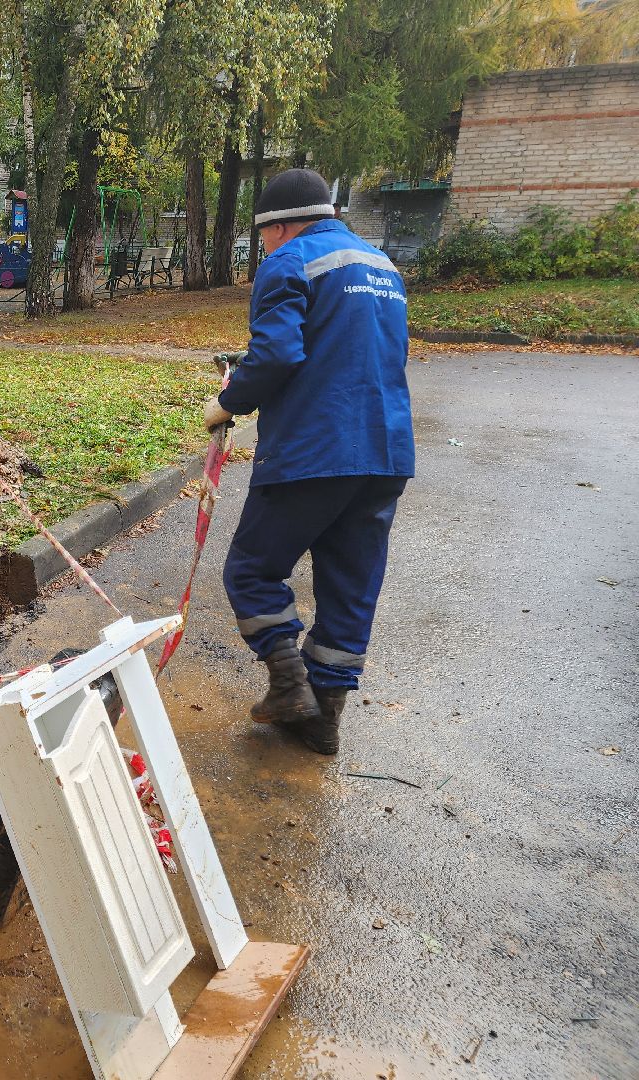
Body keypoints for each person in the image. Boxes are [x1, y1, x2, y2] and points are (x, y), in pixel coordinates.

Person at [203, 168, 414, 755]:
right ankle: (323, 721)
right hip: (386, 452)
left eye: (262, 237)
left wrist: (225, 404)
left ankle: (289, 683)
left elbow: (276, 354)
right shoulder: (383, 267)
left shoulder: (290, 260)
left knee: (251, 569)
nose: (262, 249)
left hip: (315, 451)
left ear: (283, 226)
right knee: (350, 586)